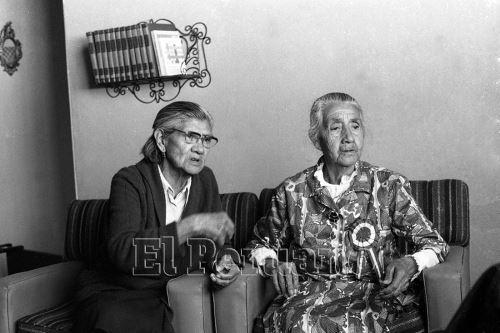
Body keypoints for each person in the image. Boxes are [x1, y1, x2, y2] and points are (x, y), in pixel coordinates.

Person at [248, 92, 449, 333]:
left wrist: (411, 262)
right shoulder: (292, 190)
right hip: (308, 297)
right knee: (300, 324)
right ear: (316, 138)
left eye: (355, 126)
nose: (348, 137)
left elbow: (436, 244)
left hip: (376, 294)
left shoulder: (388, 184)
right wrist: (273, 263)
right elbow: (258, 245)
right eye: (335, 128)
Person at [74, 101, 240, 333]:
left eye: (206, 139)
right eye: (191, 137)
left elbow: (220, 244)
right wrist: (189, 226)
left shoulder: (206, 180)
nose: (200, 148)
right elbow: (122, 252)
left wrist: (228, 261)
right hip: (118, 290)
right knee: (115, 319)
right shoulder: (129, 180)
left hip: (165, 291)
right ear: (162, 140)